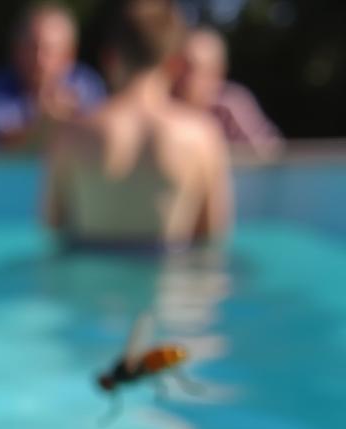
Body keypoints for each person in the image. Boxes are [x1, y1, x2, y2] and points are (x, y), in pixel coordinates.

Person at [44, 0, 232, 249]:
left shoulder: (72, 134)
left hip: (92, 281)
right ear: (174, 64)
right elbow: (211, 238)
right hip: (168, 280)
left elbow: (54, 226)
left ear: (109, 58)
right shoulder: (201, 137)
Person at [0, 4, 105, 149]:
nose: (39, 59)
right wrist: (47, 124)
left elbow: (102, 136)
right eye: (31, 48)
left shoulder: (87, 85)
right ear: (16, 49)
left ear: (70, 54)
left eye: (49, 50)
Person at [174, 27, 283, 159]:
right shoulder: (163, 105)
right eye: (177, 67)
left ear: (217, 72)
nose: (181, 76)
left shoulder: (232, 105)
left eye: (190, 68)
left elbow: (270, 157)